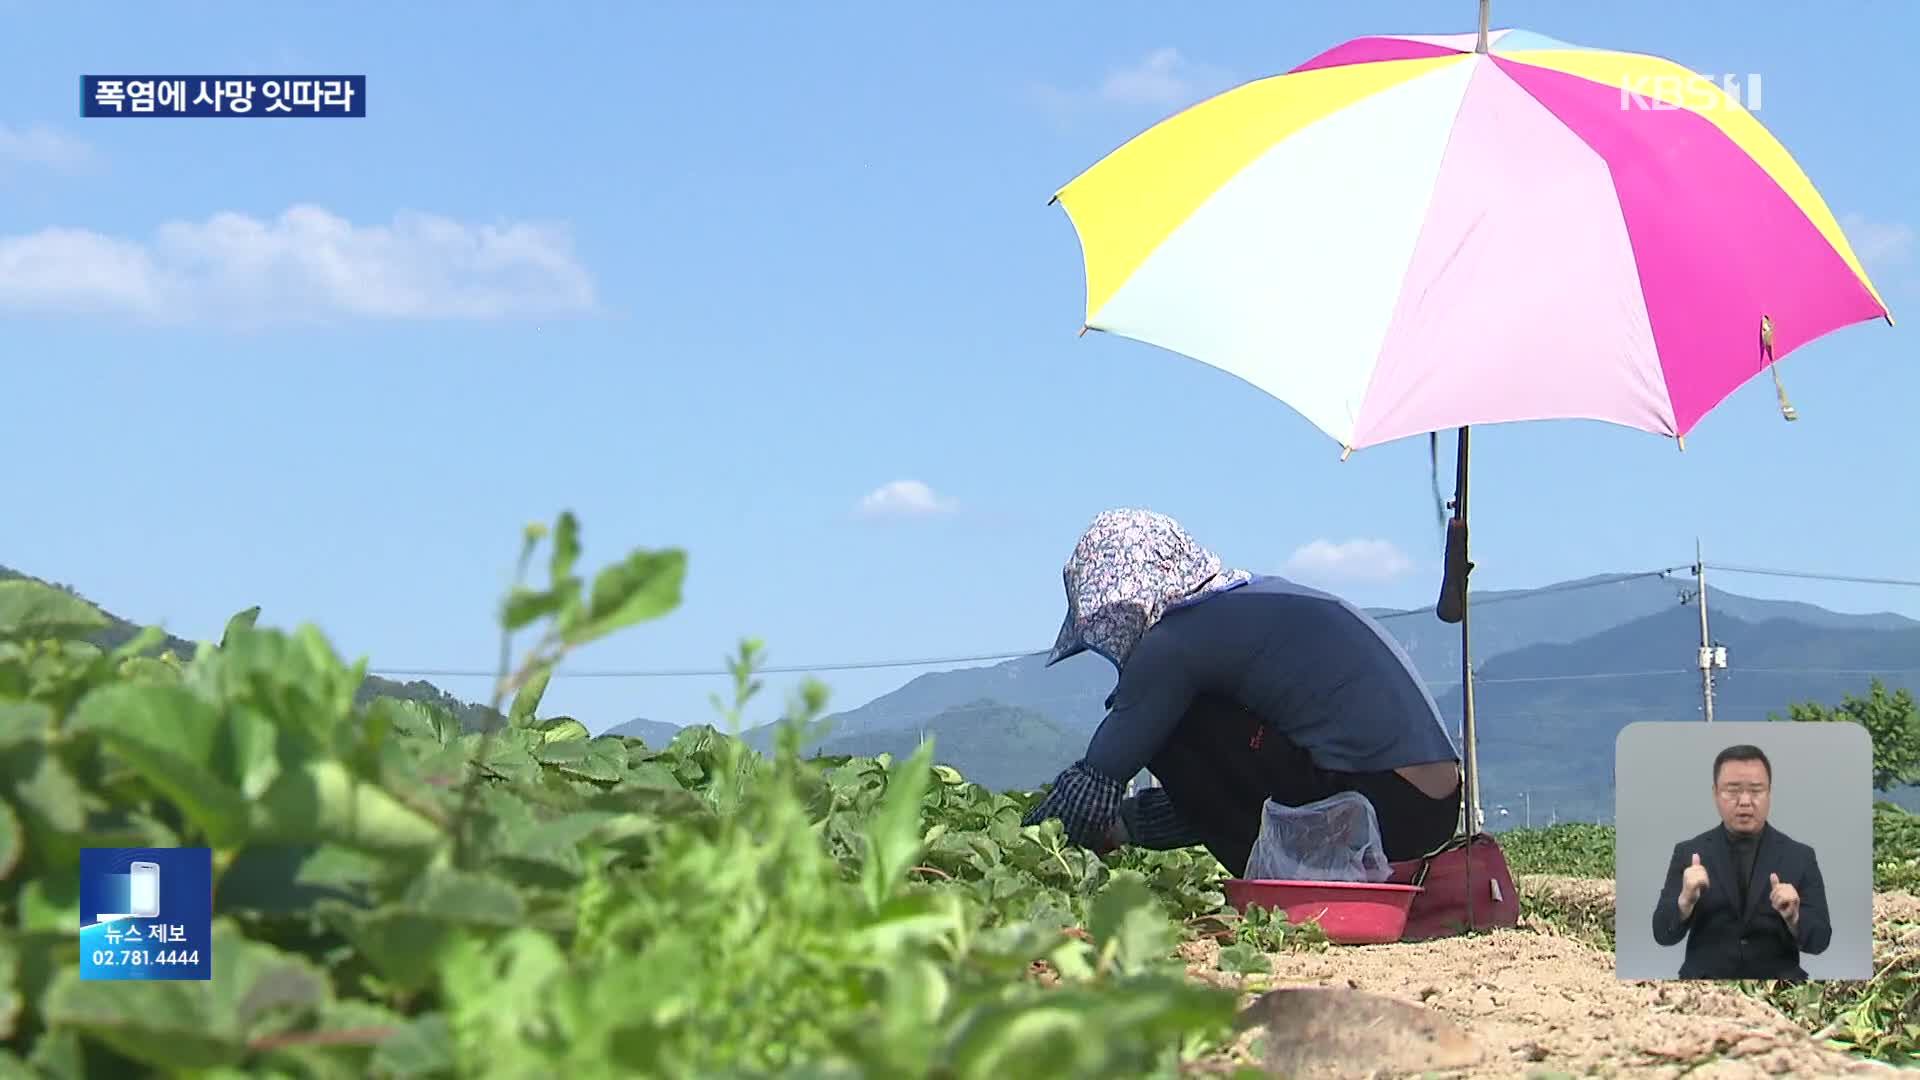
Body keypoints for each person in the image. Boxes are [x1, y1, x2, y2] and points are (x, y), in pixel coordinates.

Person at [1020, 508, 1464, 878]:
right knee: (1176, 716)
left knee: (1164, 724)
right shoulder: (1246, 601)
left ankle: (1282, 881)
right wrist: (1124, 826)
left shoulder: (1176, 642)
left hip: (1383, 808)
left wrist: (1026, 846)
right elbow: (1240, 781)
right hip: (1429, 807)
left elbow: (1100, 775)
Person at [1650, 744, 1831, 981]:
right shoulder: (1689, 853)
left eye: (1756, 790)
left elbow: (1820, 941)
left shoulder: (1799, 856)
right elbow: (1663, 934)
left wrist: (1794, 918)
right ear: (1715, 793)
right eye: (1732, 790)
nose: (1745, 801)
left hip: (1779, 991)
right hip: (1704, 991)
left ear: (1769, 793)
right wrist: (1684, 902)